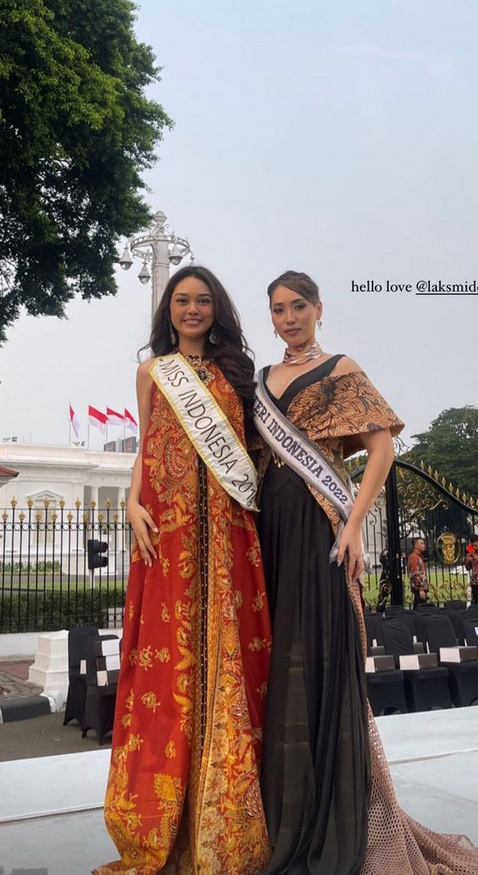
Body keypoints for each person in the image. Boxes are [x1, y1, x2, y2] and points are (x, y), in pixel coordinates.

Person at [254, 270, 478, 875]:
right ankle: (282, 814)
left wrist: (352, 524)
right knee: (278, 661)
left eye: (299, 307)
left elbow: (382, 448)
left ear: (319, 309)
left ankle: (336, 818)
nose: (289, 318)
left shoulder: (342, 369)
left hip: (321, 526)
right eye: (278, 310)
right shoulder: (261, 382)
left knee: (321, 660)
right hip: (269, 528)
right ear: (269, 317)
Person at [95, 266, 272, 875]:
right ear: (168, 311)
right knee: (168, 661)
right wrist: (131, 502)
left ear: (216, 308)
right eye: (181, 301)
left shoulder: (236, 375)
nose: (192, 310)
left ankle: (227, 822)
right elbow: (147, 446)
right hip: (167, 532)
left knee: (230, 657)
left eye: (202, 301)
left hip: (227, 533)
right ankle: (164, 819)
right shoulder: (152, 371)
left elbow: (255, 453)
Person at [408, 537, 429, 608]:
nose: (424, 545)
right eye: (421, 544)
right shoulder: (414, 557)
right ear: (415, 545)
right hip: (419, 589)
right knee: (420, 608)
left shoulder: (418, 557)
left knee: (420, 607)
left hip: (421, 588)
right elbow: (415, 574)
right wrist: (420, 589)